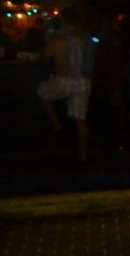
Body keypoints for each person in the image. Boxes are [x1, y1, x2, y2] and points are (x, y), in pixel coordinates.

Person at [36, 7, 96, 163]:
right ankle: (82, 154)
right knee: (81, 119)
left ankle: (56, 124)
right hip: (83, 82)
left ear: (63, 21)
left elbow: (44, 59)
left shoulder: (58, 41)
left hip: (62, 81)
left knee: (41, 91)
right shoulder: (86, 39)